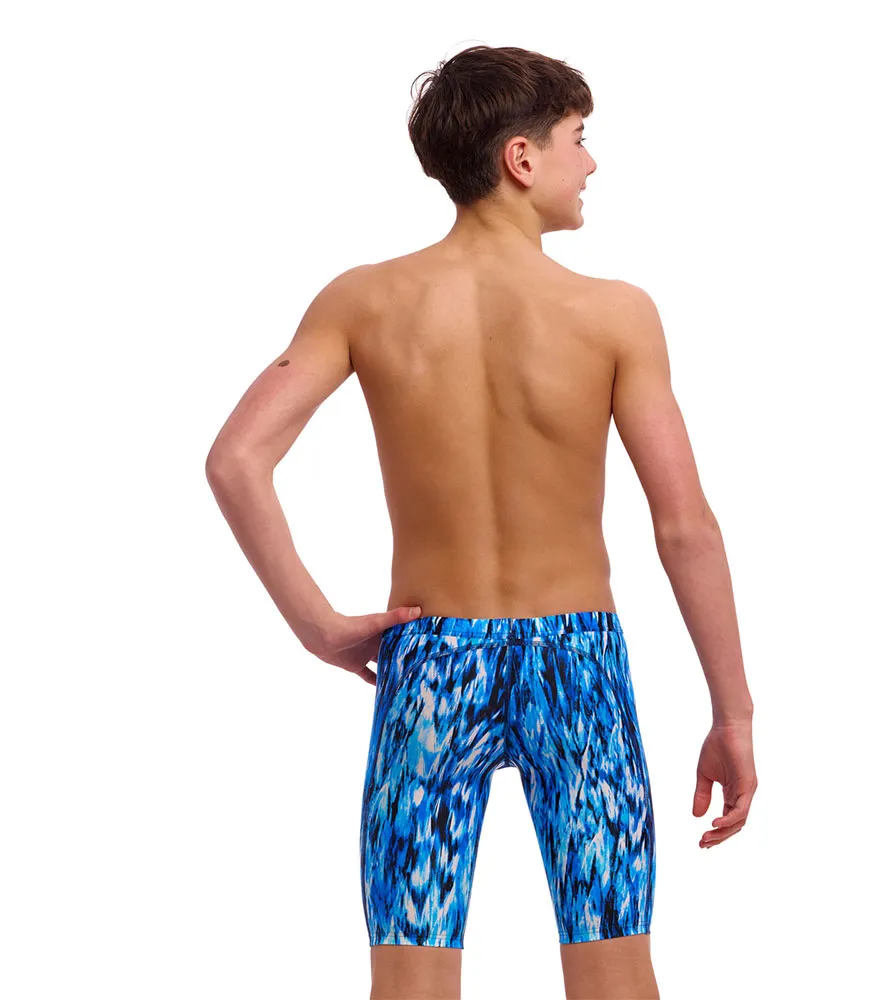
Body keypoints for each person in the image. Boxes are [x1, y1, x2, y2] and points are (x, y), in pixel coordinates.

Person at [206, 43, 756, 1000]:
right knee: (615, 968)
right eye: (579, 138)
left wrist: (317, 626)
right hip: (577, 665)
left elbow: (235, 459)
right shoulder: (614, 314)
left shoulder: (364, 300)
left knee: (410, 974)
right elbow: (686, 528)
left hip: (430, 663)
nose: (592, 162)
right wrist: (733, 712)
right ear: (521, 158)